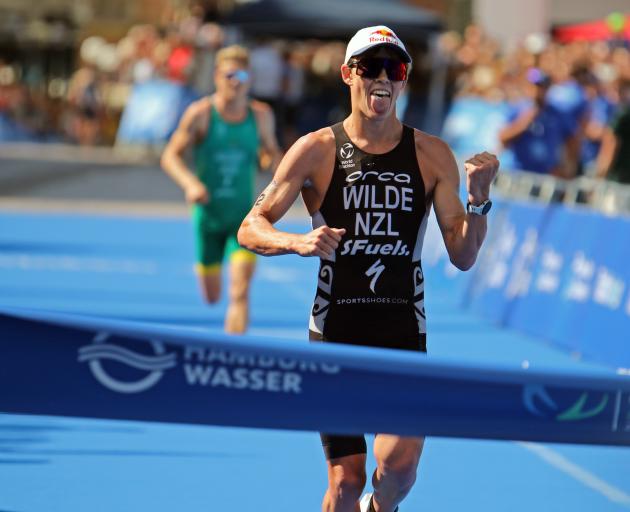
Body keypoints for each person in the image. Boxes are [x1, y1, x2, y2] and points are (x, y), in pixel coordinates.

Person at [238, 26, 499, 512]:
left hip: (401, 334)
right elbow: (250, 227)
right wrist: (297, 241)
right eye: (369, 67)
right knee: (345, 483)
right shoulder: (315, 149)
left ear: (404, 80)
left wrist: (479, 200)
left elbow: (463, 256)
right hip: (335, 332)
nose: (382, 78)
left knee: (398, 469)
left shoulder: (431, 154)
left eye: (394, 69)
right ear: (347, 74)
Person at [161, 44, 282, 334]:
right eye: (229, 74)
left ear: (249, 78)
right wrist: (191, 183)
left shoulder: (261, 116)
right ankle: (207, 269)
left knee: (239, 292)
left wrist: (270, 162)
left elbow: (274, 155)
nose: (236, 81)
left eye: (242, 74)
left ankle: (234, 352)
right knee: (213, 296)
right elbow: (170, 156)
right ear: (217, 76)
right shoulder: (200, 114)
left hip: (243, 219)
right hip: (208, 218)